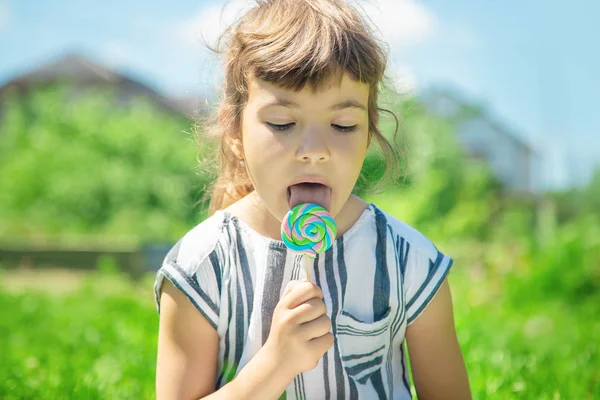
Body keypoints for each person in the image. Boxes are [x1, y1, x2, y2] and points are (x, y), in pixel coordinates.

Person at [153, 0, 471, 398]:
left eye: (343, 125)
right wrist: (275, 364)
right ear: (235, 131)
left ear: (368, 133)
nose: (314, 150)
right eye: (283, 123)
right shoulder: (201, 267)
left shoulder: (409, 263)